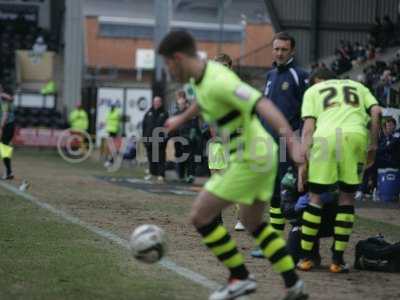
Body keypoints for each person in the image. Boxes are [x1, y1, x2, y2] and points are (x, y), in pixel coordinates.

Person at [159, 30, 307, 300]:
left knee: (200, 216)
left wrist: (293, 141)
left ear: (178, 58)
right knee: (253, 223)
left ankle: (239, 276)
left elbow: (261, 103)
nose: (169, 72)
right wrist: (180, 119)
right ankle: (293, 284)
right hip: (261, 154)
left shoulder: (218, 79)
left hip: (251, 157)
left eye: (168, 65)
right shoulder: (202, 78)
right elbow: (201, 102)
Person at [297, 68, 382, 273]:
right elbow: (377, 111)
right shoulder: (358, 86)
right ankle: (337, 261)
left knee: (315, 197)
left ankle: (306, 259)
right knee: (347, 198)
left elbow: (308, 129)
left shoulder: (312, 91)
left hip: (325, 137)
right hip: (355, 136)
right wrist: (373, 144)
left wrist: (303, 162)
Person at [252, 32, 309, 258]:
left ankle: (298, 245)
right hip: (267, 144)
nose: (279, 53)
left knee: (288, 194)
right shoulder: (270, 75)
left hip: (288, 144)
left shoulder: (300, 75)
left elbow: (308, 112)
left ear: (292, 51)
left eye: (284, 49)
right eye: (276, 49)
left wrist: (302, 141)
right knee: (273, 194)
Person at [142, 96, 169, 182]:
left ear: (161, 103)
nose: (156, 103)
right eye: (155, 101)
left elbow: (168, 127)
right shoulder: (148, 113)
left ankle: (161, 175)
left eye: (158, 102)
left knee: (160, 158)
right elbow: (144, 126)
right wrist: (144, 138)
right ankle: (152, 173)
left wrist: (165, 138)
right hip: (149, 139)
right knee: (151, 158)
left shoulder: (164, 113)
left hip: (160, 140)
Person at [173, 91, 198, 183]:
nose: (180, 105)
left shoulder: (189, 113)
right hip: (178, 138)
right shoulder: (176, 113)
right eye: (179, 104)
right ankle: (181, 175)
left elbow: (194, 124)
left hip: (188, 138)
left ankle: (190, 175)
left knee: (189, 157)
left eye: (182, 103)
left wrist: (191, 135)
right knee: (180, 156)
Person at [0, 85, 16, 179]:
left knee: (4, 147)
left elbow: (5, 114)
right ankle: (9, 171)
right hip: (9, 125)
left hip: (6, 125)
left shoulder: (3, 99)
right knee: (4, 147)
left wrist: (1, 127)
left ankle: (9, 172)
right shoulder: (5, 98)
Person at [104, 103, 122, 168]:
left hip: (115, 132)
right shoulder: (109, 113)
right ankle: (109, 160)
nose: (112, 108)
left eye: (113, 107)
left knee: (114, 147)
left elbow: (118, 122)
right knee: (110, 146)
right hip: (110, 132)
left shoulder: (116, 113)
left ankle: (111, 160)